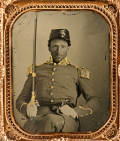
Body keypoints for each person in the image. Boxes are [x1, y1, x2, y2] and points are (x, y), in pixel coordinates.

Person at [16, 29, 101, 133]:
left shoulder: (76, 71)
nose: (59, 51)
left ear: (68, 48)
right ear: (49, 48)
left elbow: (95, 100)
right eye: (55, 46)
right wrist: (27, 109)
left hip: (65, 117)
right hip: (38, 117)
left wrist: (75, 111)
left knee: (51, 122)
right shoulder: (37, 70)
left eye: (63, 47)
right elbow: (21, 99)